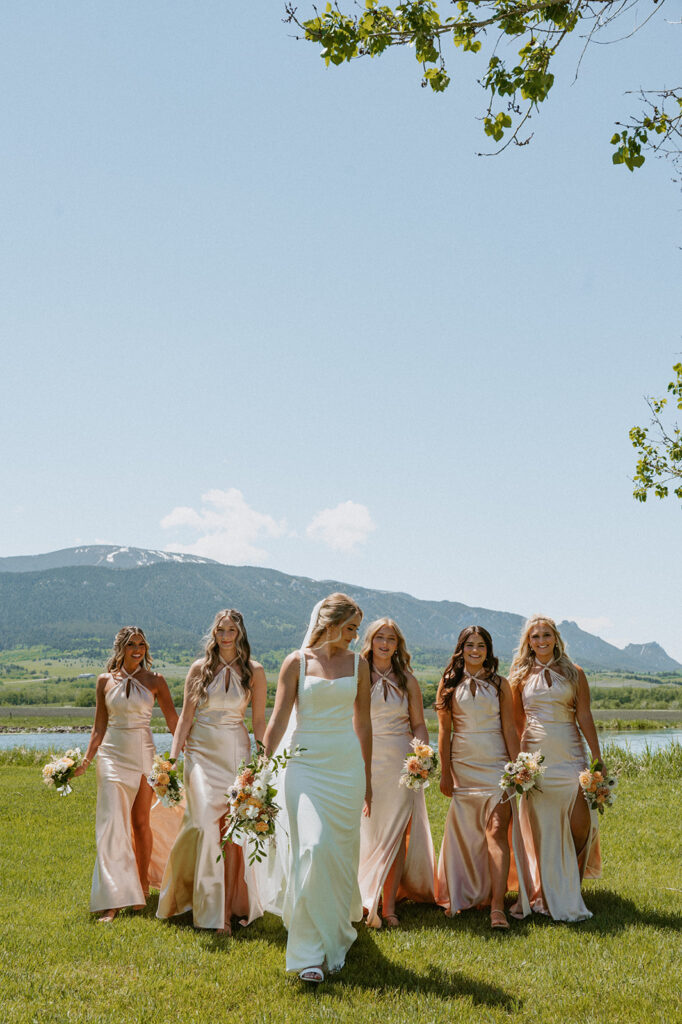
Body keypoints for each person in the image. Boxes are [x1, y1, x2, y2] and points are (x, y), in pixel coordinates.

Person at [263, 593, 372, 983]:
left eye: (357, 629)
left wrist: (368, 777)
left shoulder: (360, 665)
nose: (355, 637)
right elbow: (277, 719)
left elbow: (364, 725)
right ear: (329, 623)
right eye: (350, 628)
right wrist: (259, 767)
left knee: (338, 854)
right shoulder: (296, 663)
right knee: (312, 846)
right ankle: (309, 954)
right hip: (304, 766)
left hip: (345, 767)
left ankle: (337, 929)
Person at [157, 609, 266, 934]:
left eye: (231, 629)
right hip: (201, 755)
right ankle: (200, 901)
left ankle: (224, 915)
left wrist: (263, 758)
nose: (226, 635)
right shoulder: (199, 669)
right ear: (214, 633)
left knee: (233, 835)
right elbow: (185, 719)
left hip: (236, 754)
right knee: (204, 824)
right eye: (220, 629)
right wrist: (172, 759)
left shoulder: (255, 671)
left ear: (240, 632)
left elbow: (258, 721)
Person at [74, 626, 179, 923]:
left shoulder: (155, 680)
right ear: (120, 648)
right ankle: (113, 899)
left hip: (143, 755)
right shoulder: (104, 681)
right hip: (110, 756)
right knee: (111, 825)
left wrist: (184, 753)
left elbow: (174, 721)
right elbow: (98, 727)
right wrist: (86, 759)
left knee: (140, 823)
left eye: (142, 644)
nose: (137, 649)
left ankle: (142, 885)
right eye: (131, 644)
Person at [509, 616, 602, 921]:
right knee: (545, 829)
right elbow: (516, 721)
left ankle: (569, 879)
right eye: (535, 637)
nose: (541, 641)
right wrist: (520, 761)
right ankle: (550, 889)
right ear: (528, 642)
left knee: (581, 823)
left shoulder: (575, 673)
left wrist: (597, 757)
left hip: (571, 753)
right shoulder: (520, 675)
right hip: (536, 757)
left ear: (556, 638)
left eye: (546, 635)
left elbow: (584, 715)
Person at [436, 626, 529, 929]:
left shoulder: (501, 684)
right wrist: (445, 773)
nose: (475, 651)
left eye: (481, 646)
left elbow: (509, 729)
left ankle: (497, 907)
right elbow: (444, 732)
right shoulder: (448, 683)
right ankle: (467, 892)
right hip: (463, 764)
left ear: (488, 651)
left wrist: (517, 768)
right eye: (469, 645)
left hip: (496, 766)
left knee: (497, 830)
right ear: (460, 649)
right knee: (467, 834)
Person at [357, 618, 435, 928]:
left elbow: (418, 723)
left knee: (397, 832)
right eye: (380, 637)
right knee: (367, 830)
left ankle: (388, 906)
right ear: (371, 641)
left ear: (398, 644)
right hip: (366, 758)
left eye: (391, 638)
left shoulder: (408, 681)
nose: (385, 643)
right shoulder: (358, 674)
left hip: (402, 765)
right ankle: (365, 896)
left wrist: (422, 753)